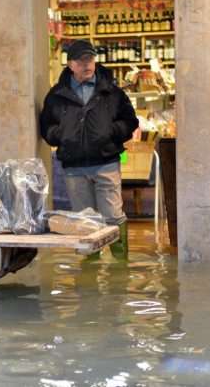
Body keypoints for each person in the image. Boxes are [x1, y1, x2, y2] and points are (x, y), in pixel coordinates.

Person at [40, 40, 139, 258]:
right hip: (74, 167)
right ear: (70, 65)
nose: (87, 64)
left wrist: (110, 132)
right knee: (84, 221)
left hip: (106, 163)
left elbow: (130, 121)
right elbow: (46, 126)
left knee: (113, 216)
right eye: (81, 60)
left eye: (90, 59)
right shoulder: (56, 95)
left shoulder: (112, 92)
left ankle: (120, 266)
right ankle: (90, 273)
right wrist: (62, 136)